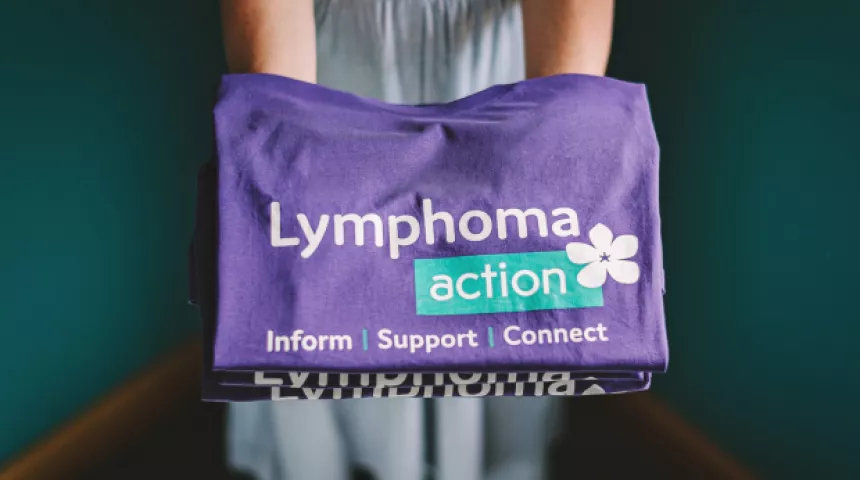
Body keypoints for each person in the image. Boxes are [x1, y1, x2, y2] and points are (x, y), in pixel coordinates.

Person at [219, 1, 614, 479]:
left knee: (502, 321)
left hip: (511, 71)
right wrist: (283, 153)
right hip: (329, 69)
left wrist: (560, 136)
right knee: (318, 304)